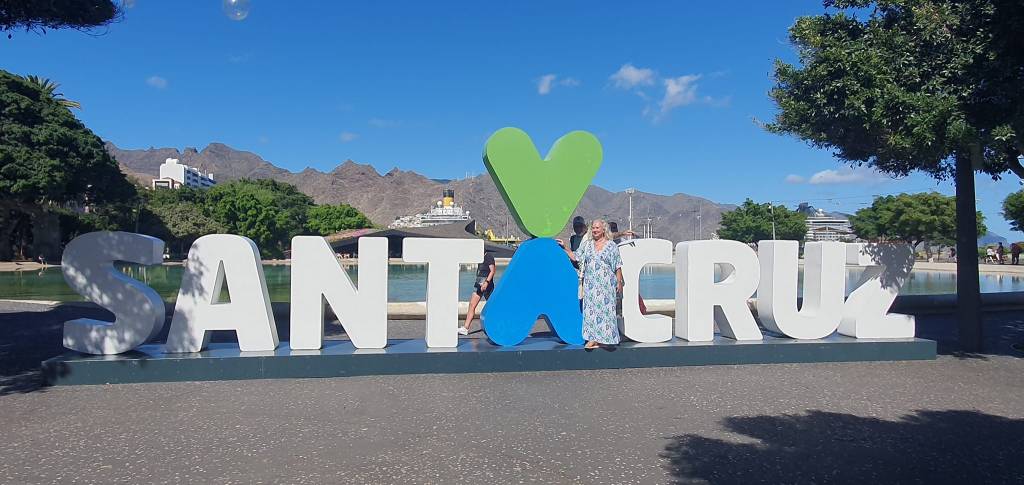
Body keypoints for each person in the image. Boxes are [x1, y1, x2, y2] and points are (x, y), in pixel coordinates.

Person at [559, 219, 624, 349]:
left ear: (603, 229)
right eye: (593, 228)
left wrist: (619, 282)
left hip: (606, 285)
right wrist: (565, 247)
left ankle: (607, 339)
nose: (595, 230)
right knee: (591, 312)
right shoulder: (587, 245)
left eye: (597, 228)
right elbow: (576, 256)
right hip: (591, 285)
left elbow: (617, 265)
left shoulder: (611, 246)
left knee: (606, 311)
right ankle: (592, 338)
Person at [459, 250, 496, 335]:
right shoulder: (480, 257)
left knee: (492, 307)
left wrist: (486, 282)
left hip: (487, 285)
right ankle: (465, 328)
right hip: (479, 284)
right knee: (472, 304)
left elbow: (492, 271)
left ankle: (498, 324)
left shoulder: (488, 256)